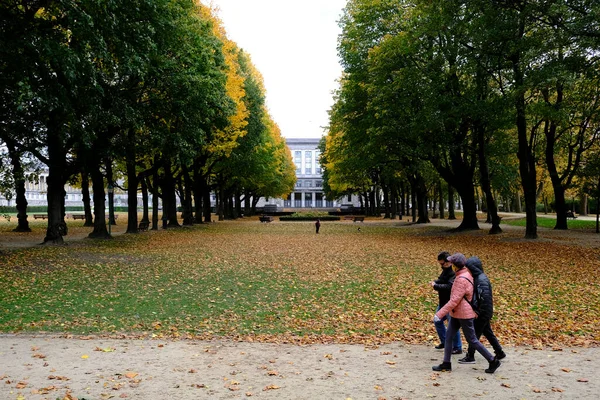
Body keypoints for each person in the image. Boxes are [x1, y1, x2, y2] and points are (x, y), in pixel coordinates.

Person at [432, 253, 501, 374]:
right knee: (448, 337)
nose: (450, 266)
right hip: (456, 313)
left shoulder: (461, 279)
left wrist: (440, 314)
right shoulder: (464, 274)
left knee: (472, 339)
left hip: (464, 314)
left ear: (455, 266)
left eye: (452, 263)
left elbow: (454, 300)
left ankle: (492, 360)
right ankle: (446, 363)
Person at [458, 256, 506, 364]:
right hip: (485, 311)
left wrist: (479, 312)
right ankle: (499, 352)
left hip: (483, 312)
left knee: (474, 335)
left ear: (473, 268)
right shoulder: (479, 278)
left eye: (468, 268)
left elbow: (484, 298)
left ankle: (470, 356)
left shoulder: (481, 280)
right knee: (487, 332)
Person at [430, 251, 462, 354]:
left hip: (450, 303)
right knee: (438, 321)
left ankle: (457, 346)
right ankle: (445, 341)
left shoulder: (453, 272)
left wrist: (436, 286)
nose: (441, 266)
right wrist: (435, 282)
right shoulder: (445, 270)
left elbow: (449, 286)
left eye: (442, 263)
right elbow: (442, 279)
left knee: (452, 325)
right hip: (443, 302)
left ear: (448, 262)